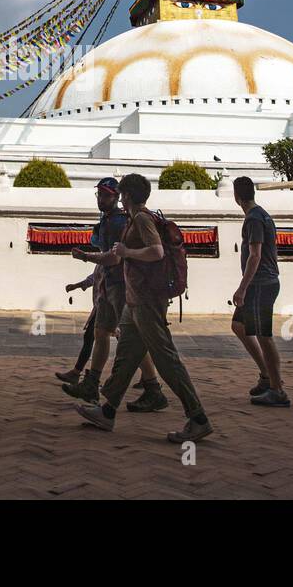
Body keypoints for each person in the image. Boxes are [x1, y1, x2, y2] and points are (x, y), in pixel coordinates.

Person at [73, 173, 213, 443]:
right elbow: (116, 256)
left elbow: (156, 251)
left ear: (126, 195)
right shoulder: (134, 220)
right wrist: (89, 256)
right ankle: (108, 411)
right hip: (135, 301)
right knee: (125, 357)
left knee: (165, 358)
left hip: (148, 302)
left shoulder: (143, 219)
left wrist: (128, 253)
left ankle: (198, 417)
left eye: (122, 195)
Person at [61, 177, 166, 411]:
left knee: (130, 341)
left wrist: (86, 257)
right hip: (109, 285)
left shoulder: (123, 221)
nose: (102, 199)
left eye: (107, 195)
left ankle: (152, 387)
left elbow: (115, 257)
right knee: (101, 333)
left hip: (121, 286)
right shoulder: (111, 220)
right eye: (99, 194)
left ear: (120, 196)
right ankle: (91, 382)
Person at [232, 176, 289, 407]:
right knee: (239, 326)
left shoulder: (254, 219)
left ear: (236, 196)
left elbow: (255, 255)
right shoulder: (261, 214)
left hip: (260, 284)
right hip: (262, 282)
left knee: (264, 336)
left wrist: (242, 288)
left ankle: (277, 390)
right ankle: (266, 376)